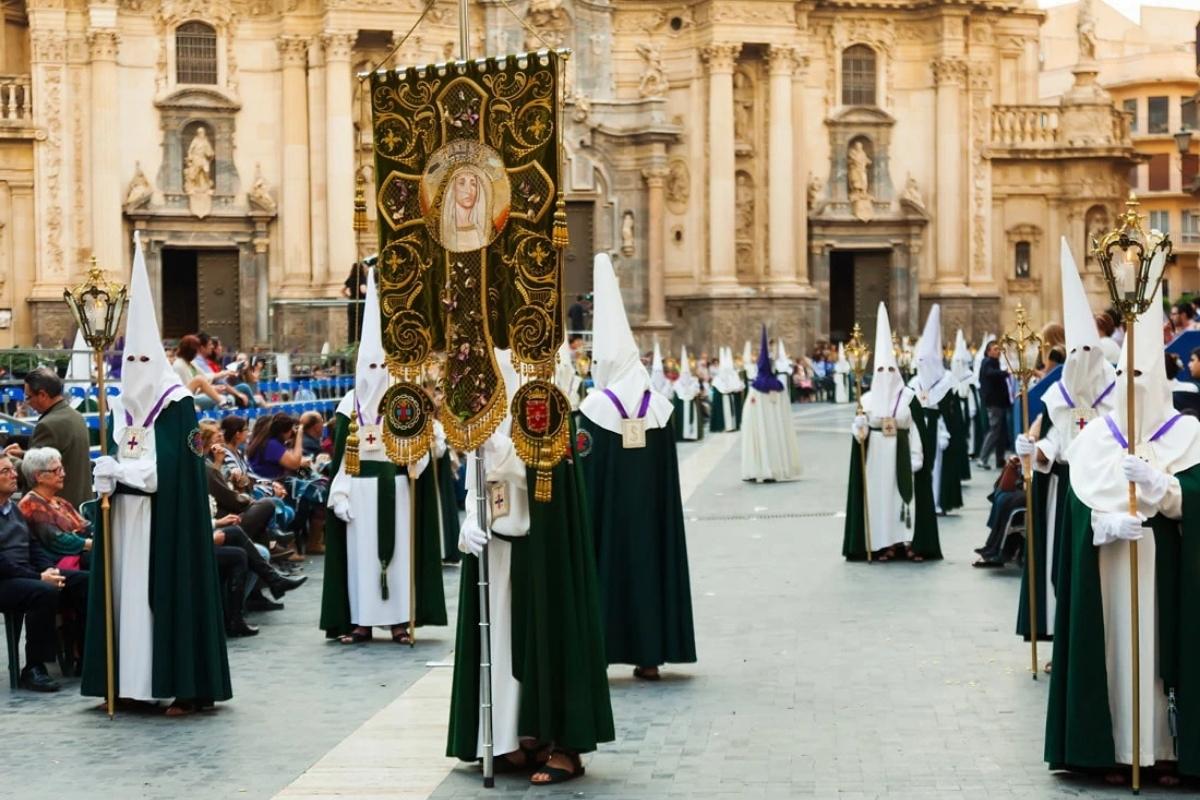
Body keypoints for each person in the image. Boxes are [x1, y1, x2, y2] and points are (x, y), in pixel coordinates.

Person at [1045, 287, 1200, 787]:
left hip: (1167, 576)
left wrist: (1165, 488)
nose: (1132, 386)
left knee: (1160, 663)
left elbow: (1194, 494)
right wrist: (1103, 522)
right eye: (1125, 376)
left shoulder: (1187, 436)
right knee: (1114, 657)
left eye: (1142, 376)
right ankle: (1112, 750)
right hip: (1110, 572)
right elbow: (1075, 506)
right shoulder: (1093, 440)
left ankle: (1168, 750)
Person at [447, 348, 614, 785]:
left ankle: (563, 747)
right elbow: (475, 472)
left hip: (542, 544)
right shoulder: (483, 404)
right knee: (500, 643)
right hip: (497, 544)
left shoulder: (545, 403)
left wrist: (494, 444)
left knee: (547, 635)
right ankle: (512, 737)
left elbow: (541, 465)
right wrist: (471, 517)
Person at [82, 233, 231, 716]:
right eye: (131, 361)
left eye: (146, 359)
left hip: (163, 523)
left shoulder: (179, 406)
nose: (138, 369)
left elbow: (181, 467)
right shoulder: (119, 409)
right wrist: (105, 474)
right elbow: (115, 461)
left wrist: (133, 473)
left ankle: (181, 682)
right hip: (124, 522)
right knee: (125, 598)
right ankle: (126, 681)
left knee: (162, 595)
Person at [578, 253, 696, 681]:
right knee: (650, 572)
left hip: (608, 525)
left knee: (608, 573)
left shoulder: (593, 410)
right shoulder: (661, 409)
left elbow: (585, 479)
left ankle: (606, 649)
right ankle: (650, 654)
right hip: (652, 522)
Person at [321, 266, 446, 644]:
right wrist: (339, 493)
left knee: (399, 558)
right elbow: (340, 458)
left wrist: (416, 457)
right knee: (360, 560)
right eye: (368, 366)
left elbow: (423, 444)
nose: (375, 373)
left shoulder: (402, 403)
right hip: (359, 491)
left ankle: (398, 621)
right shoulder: (348, 406)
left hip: (397, 488)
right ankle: (361, 621)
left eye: (380, 366)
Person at [1009, 238, 1116, 643]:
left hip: (1099, 492)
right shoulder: (1060, 395)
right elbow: (1055, 437)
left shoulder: (1114, 394)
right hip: (1061, 489)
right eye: (1076, 351)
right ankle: (1057, 630)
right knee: (1057, 561)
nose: (1083, 359)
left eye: (1089, 350)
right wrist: (1033, 451)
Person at [844, 303, 937, 562]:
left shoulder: (908, 398)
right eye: (881, 370)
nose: (886, 375)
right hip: (876, 458)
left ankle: (906, 542)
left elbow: (916, 428)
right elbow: (860, 436)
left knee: (902, 500)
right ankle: (883, 544)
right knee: (880, 501)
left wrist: (917, 456)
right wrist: (859, 428)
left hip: (902, 457)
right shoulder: (869, 399)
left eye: (890, 370)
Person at [0, 454, 88, 691]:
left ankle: (87, 656)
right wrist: (39, 577)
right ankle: (34, 667)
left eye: (12, 469)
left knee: (85, 582)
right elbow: (3, 564)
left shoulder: (13, 510)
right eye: (5, 471)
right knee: (44, 591)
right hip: (5, 580)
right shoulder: (25, 505)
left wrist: (49, 568)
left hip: (27, 573)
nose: (13, 474)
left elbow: (33, 546)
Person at [909, 304, 968, 514]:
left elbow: (951, 411)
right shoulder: (915, 383)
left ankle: (939, 500)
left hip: (939, 428)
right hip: (920, 428)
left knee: (939, 467)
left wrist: (944, 429)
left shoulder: (946, 382)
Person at [5, 368, 92, 509]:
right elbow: (59, 458)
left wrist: (9, 460)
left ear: (43, 395)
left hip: (54, 513)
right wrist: (25, 454)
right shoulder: (76, 416)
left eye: (28, 397)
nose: (27, 403)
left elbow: (35, 473)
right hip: (77, 506)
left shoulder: (48, 425)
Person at [740, 327, 803, 482]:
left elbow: (748, 412)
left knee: (761, 439)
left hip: (760, 424)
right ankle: (777, 467)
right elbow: (786, 413)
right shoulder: (779, 386)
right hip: (775, 426)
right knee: (774, 437)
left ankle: (760, 468)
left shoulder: (756, 387)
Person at [17, 447, 92, 571]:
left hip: (80, 554)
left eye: (62, 469)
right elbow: (56, 540)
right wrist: (90, 544)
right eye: (57, 470)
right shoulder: (31, 505)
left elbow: (85, 525)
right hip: (59, 564)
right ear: (39, 476)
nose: (63, 474)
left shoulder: (59, 502)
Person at [976, 339, 1011, 471]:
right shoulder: (987, 362)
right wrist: (1005, 373)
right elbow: (990, 374)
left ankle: (999, 459)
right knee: (994, 430)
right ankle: (983, 458)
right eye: (995, 349)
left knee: (1001, 432)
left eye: (999, 349)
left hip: (1000, 402)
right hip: (994, 403)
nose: (998, 352)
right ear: (988, 351)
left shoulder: (994, 363)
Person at [949, 330, 976, 483]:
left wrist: (971, 408)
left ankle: (971, 450)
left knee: (970, 431)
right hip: (956, 412)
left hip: (966, 406)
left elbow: (971, 394)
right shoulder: (949, 378)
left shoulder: (969, 376)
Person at [671, 346, 704, 441]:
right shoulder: (677, 383)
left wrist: (692, 392)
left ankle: (692, 435)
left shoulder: (694, 381)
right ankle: (681, 435)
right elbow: (677, 393)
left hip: (691, 404)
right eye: (683, 373)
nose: (685, 375)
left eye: (687, 373)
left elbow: (696, 391)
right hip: (682, 406)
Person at [710, 347, 745, 433]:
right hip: (724, 398)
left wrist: (735, 388)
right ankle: (724, 426)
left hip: (732, 397)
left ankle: (733, 425)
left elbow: (739, 386)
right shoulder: (718, 377)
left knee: (732, 412)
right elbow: (717, 386)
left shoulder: (734, 375)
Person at [342, 260, 369, 344]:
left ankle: (351, 344)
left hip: (352, 304)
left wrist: (349, 297)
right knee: (361, 326)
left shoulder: (351, 278)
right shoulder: (362, 278)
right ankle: (360, 344)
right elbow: (363, 290)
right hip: (360, 304)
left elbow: (342, 290)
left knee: (351, 326)